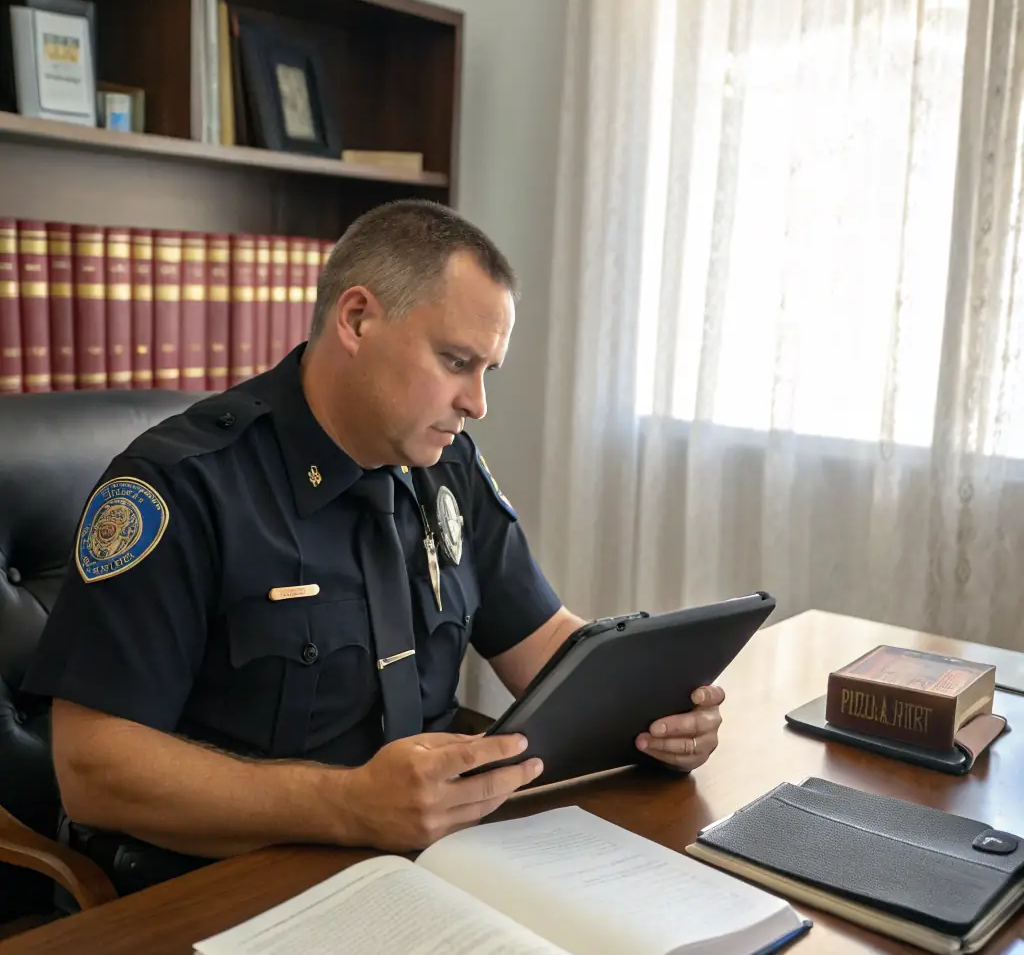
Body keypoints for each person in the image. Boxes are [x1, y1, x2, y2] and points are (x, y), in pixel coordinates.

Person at [24, 201, 725, 883]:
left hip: (430, 867)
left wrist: (654, 715)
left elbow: (547, 646)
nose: (477, 402)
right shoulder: (182, 486)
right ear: (357, 318)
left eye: (488, 370)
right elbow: (93, 769)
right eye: (456, 361)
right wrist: (351, 805)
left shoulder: (449, 468)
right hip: (232, 881)